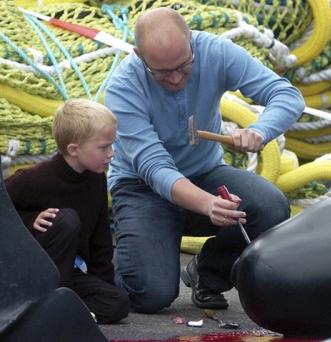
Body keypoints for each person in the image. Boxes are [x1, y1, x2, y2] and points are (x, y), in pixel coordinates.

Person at [104, 7, 305, 313]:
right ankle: (108, 264)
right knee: (150, 295)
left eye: (183, 66)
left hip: (205, 172)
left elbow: (287, 95)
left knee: (270, 206)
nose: (175, 79)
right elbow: (155, 169)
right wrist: (207, 204)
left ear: (191, 43)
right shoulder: (122, 87)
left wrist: (260, 130)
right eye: (161, 72)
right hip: (141, 188)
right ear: (138, 55)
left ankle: (209, 272)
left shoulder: (216, 51)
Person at [5, 99, 130, 324]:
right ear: (74, 149)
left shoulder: (96, 179)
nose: (111, 153)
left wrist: (103, 284)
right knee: (66, 220)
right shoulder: (34, 179)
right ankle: (51, 306)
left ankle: (54, 306)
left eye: (112, 145)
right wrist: (29, 219)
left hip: (69, 274)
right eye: (104, 147)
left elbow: (100, 239)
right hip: (31, 271)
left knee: (117, 303)